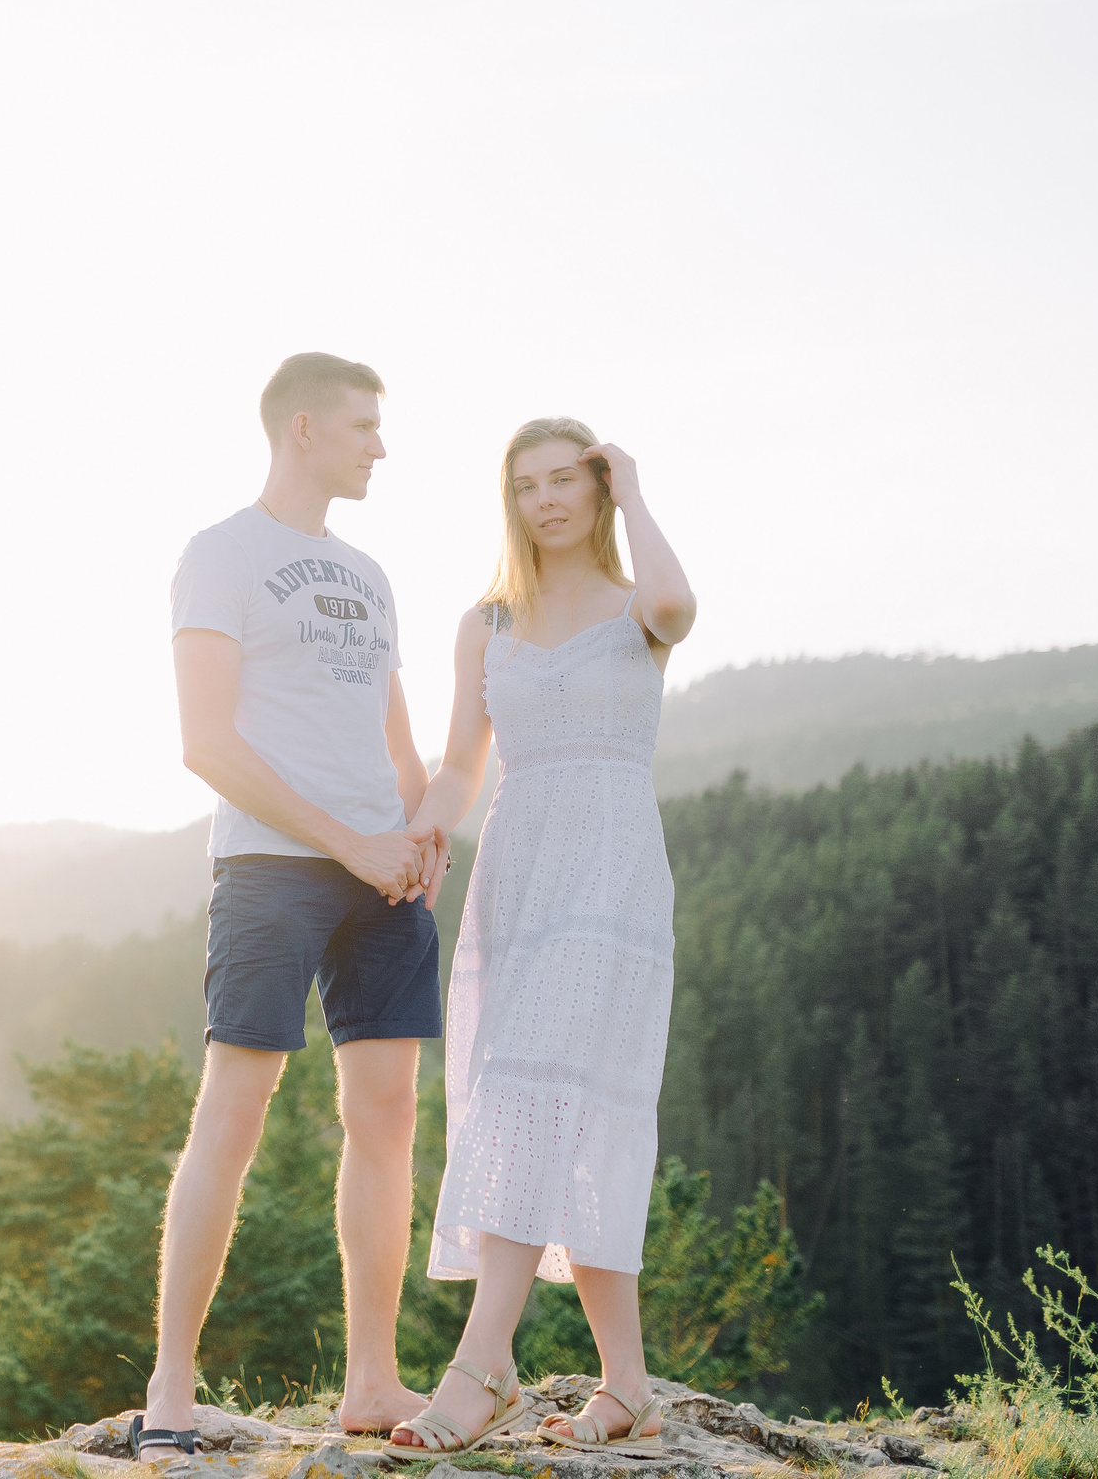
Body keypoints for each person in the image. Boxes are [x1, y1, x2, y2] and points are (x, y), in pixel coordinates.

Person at [138, 352, 446, 1464]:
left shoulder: (368, 575)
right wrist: (349, 840)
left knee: (389, 1117)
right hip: (272, 867)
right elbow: (205, 742)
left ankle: (371, 1380)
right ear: (303, 428)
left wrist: (417, 835)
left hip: (383, 877)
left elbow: (395, 737)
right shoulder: (218, 556)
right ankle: (170, 1385)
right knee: (234, 1110)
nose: (380, 444)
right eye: (365, 425)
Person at [382, 417, 697, 1463]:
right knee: (555, 1105)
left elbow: (677, 608)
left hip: (610, 872)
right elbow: (463, 762)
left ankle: (480, 1367)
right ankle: (628, 1386)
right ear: (507, 500)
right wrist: (428, 824)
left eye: (567, 479)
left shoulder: (634, 608)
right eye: (526, 485)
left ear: (598, 488)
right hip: (517, 873)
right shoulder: (486, 622)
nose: (546, 499)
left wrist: (639, 490)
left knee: (536, 1093)